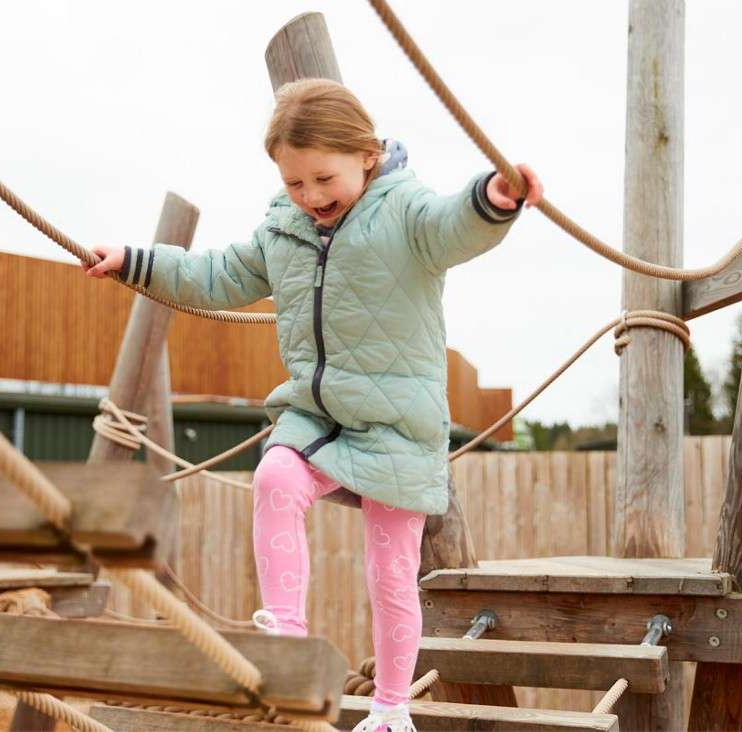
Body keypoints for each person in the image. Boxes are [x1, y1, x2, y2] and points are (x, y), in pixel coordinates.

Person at [85, 78, 541, 732]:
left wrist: (493, 199)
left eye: (322, 179)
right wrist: (133, 260)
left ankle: (390, 708)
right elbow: (214, 275)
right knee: (273, 474)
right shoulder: (284, 228)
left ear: (366, 154)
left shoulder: (405, 212)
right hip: (317, 412)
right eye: (294, 183)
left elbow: (454, 226)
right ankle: (289, 643)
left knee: (390, 572)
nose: (311, 197)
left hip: (397, 423)